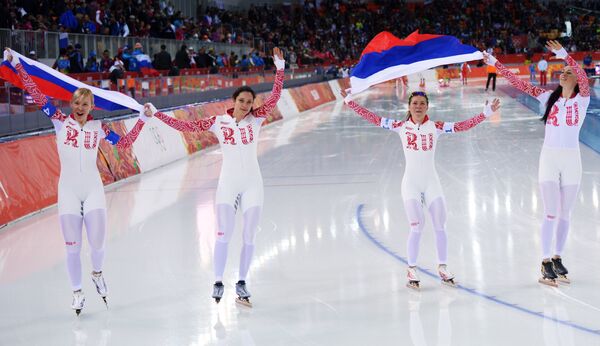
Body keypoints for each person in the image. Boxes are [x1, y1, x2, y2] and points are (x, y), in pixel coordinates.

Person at [5, 48, 152, 315]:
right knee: (72, 247)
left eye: (86, 104)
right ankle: (76, 292)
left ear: (92, 106)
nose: (81, 108)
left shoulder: (100, 128)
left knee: (97, 243)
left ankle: (97, 274)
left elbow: (127, 143)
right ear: (72, 104)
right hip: (68, 191)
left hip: (93, 189)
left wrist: (142, 119)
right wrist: (18, 65)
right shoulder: (59, 121)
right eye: (77, 103)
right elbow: (37, 94)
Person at [147, 47, 286, 307]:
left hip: (253, 184)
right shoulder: (216, 122)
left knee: (249, 236)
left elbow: (276, 95)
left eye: (250, 102)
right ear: (233, 101)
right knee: (223, 234)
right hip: (228, 184)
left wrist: (280, 67)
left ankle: (242, 282)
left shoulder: (256, 119)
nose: (246, 106)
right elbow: (185, 126)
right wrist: (157, 114)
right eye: (242, 101)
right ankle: (219, 280)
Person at [341, 89, 500, 290]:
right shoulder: (400, 126)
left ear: (427, 107)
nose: (418, 106)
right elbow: (372, 118)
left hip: (432, 183)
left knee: (440, 225)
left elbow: (462, 126)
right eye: (415, 103)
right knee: (417, 226)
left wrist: (485, 113)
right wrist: (350, 102)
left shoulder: (436, 127)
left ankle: (443, 267)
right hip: (411, 185)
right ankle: (411, 268)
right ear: (409, 106)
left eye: (422, 103)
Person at [483, 40, 590, 287]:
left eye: (568, 72)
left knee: (566, 214)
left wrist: (565, 55)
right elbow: (519, 83)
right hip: (549, 159)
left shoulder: (581, 100)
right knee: (551, 212)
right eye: (562, 72)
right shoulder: (546, 97)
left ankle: (557, 257)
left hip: (572, 159)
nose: (564, 74)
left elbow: (583, 77)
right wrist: (497, 64)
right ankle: (544, 261)